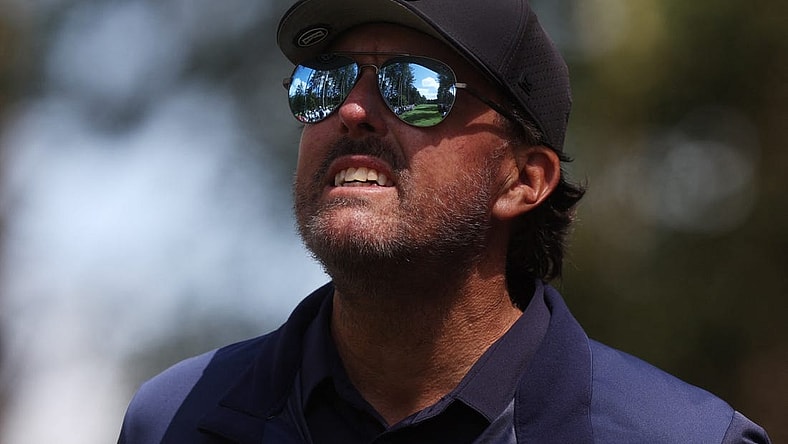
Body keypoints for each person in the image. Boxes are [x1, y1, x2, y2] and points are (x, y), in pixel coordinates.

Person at [118, 0, 771, 442]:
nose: (350, 110)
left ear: (524, 181)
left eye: (415, 85)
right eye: (325, 82)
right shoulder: (176, 420)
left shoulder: (681, 437)